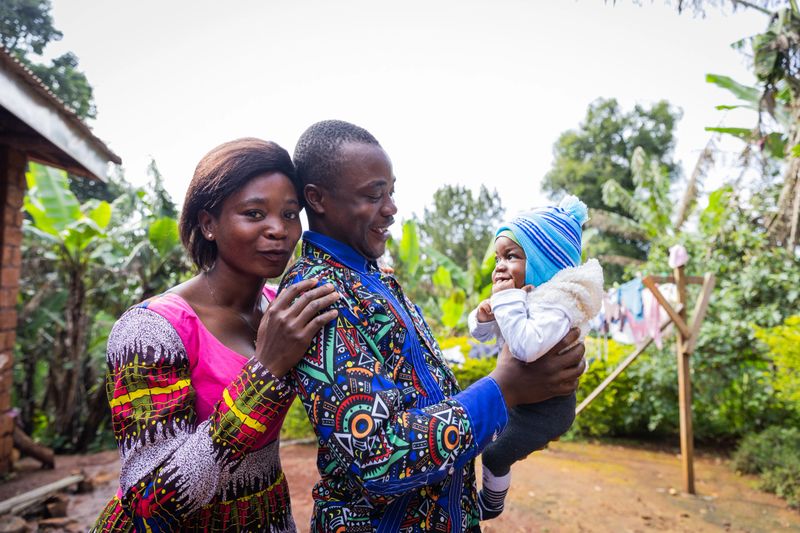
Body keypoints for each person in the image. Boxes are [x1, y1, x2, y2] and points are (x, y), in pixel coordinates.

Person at [279, 119, 587, 532]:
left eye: (391, 191)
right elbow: (379, 453)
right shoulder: (315, 292)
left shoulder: (377, 279)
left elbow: (423, 390)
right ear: (317, 199)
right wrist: (505, 387)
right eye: (374, 195)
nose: (390, 208)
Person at [92, 138, 340, 532]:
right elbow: (150, 500)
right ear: (208, 224)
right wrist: (266, 370)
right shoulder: (151, 331)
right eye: (254, 213)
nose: (278, 229)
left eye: (290, 214)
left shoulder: (284, 308)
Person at [467, 195, 604, 518]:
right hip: (522, 400)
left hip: (545, 411)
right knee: (474, 437)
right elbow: (482, 335)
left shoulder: (557, 305)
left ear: (543, 261)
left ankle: (491, 504)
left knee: (495, 455)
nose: (499, 265)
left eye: (511, 256)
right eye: (498, 257)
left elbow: (525, 347)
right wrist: (485, 316)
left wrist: (506, 302)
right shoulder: (523, 297)